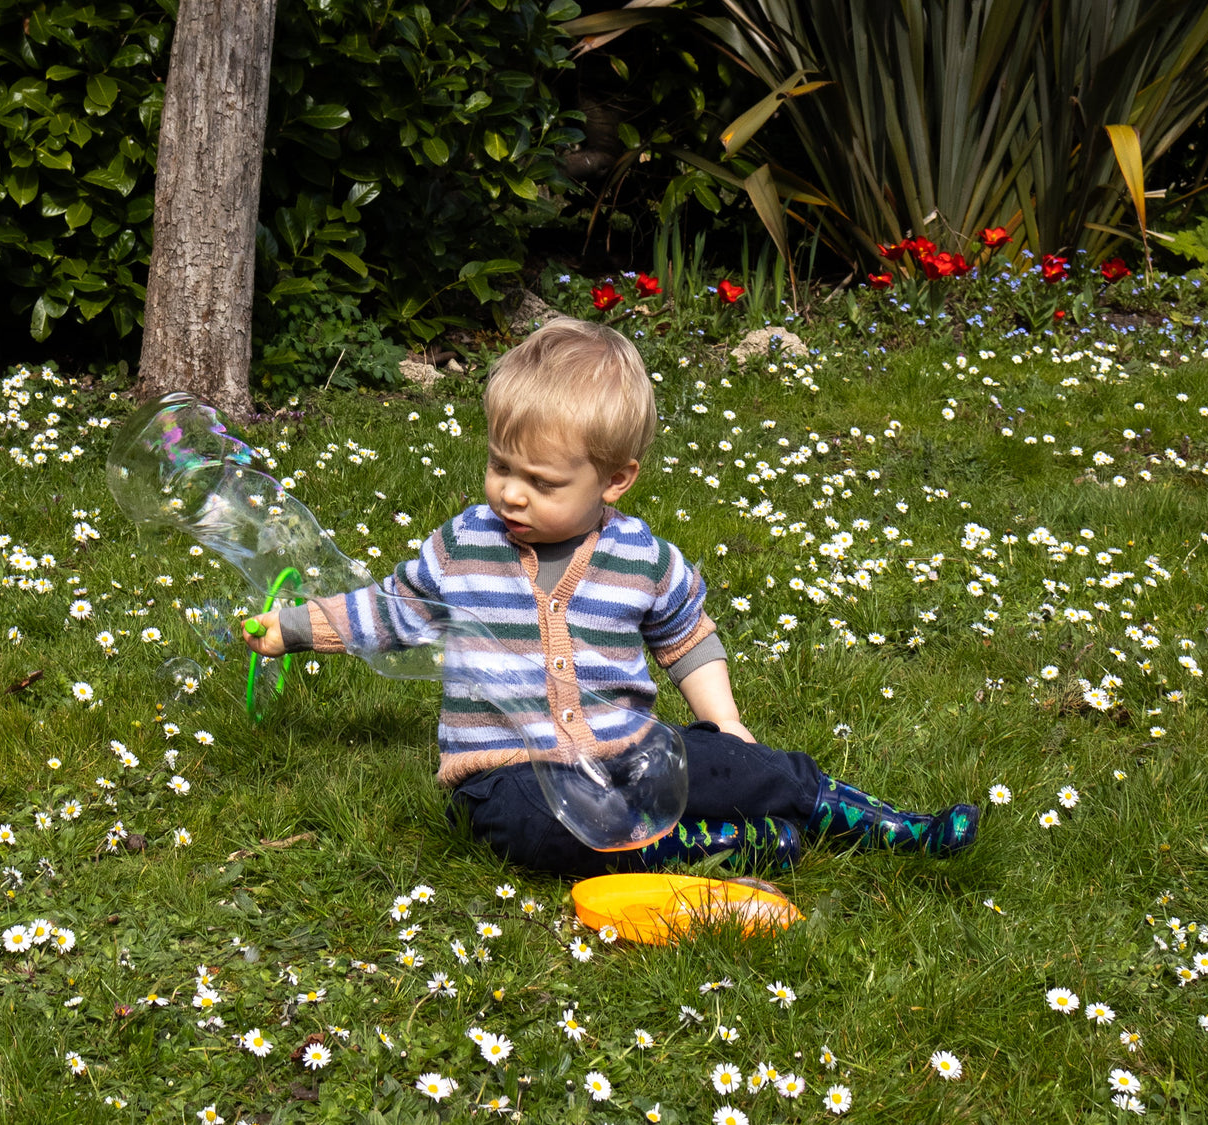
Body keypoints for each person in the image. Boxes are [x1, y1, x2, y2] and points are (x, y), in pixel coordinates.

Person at [244, 318, 978, 876]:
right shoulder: (464, 546)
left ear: (615, 479)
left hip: (629, 754)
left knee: (737, 765)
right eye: (500, 465)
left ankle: (857, 816)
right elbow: (389, 609)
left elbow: (686, 635)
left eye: (541, 481)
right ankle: (708, 845)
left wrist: (722, 721)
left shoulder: (639, 556)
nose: (509, 490)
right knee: (535, 826)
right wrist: (296, 629)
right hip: (508, 772)